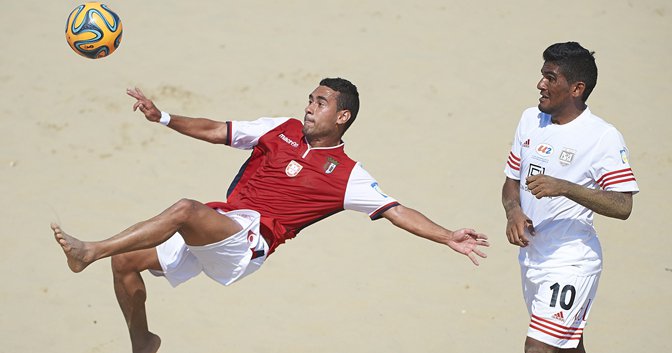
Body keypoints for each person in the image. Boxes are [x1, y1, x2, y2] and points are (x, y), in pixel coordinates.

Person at [52, 77, 489, 353]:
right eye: (309, 99)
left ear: (342, 116)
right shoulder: (279, 129)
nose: (308, 107)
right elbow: (215, 129)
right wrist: (162, 116)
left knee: (185, 209)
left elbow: (396, 210)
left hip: (248, 242)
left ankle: (89, 250)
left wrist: (447, 235)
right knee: (125, 263)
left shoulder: (347, 174)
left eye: (319, 102)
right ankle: (142, 343)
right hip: (222, 223)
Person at [501, 42, 639, 353]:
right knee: (567, 347)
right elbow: (511, 182)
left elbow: (623, 205)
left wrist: (566, 187)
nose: (540, 84)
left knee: (538, 348)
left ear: (577, 88)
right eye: (542, 75)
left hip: (572, 260)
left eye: (550, 78)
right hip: (533, 257)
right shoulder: (530, 120)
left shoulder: (601, 136)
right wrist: (513, 212)